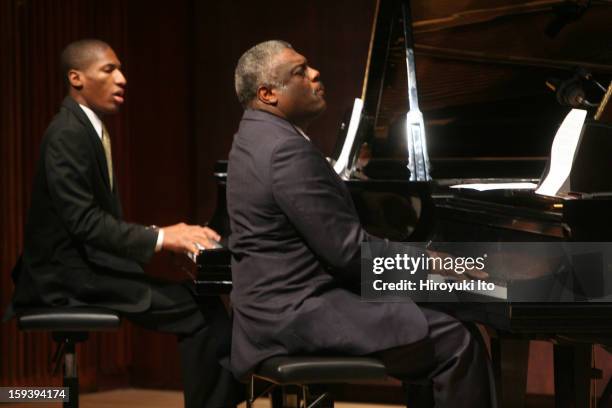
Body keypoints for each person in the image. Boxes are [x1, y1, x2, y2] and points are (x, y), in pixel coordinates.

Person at [227, 40, 496, 408]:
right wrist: (445, 264)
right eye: (299, 72)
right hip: (299, 316)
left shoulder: (253, 137)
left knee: (437, 319)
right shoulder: (286, 151)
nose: (315, 73)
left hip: (274, 311)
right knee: (457, 341)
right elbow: (350, 252)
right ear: (268, 93)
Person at [6, 39, 240, 408]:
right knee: (197, 309)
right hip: (66, 278)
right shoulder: (67, 133)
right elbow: (84, 223)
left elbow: (94, 223)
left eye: (121, 69)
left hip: (85, 267)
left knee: (199, 299)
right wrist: (162, 238)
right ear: (76, 78)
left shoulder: (87, 127)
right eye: (109, 70)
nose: (122, 79)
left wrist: (161, 241)